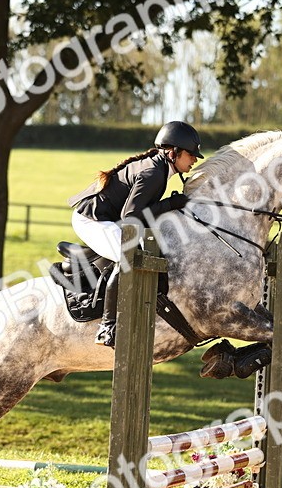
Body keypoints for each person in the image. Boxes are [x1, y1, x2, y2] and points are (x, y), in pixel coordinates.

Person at [70, 121, 203, 347]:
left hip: (109, 218)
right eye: (191, 155)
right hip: (92, 220)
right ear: (174, 152)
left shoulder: (160, 168)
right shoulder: (153, 172)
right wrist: (170, 203)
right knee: (130, 256)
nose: (194, 160)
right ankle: (106, 327)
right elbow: (131, 216)